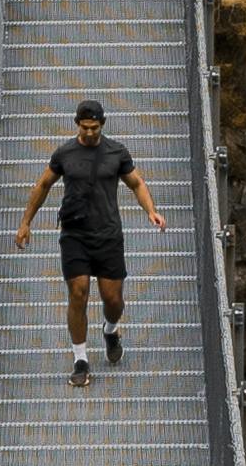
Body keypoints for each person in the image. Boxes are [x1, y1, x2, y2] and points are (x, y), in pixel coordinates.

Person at [17, 98, 165, 382]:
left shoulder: (116, 152)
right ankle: (81, 360)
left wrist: (151, 211)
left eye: (94, 128)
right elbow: (43, 184)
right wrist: (26, 223)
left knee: (113, 299)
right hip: (75, 234)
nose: (89, 133)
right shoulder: (65, 153)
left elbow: (136, 183)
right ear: (77, 124)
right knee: (78, 292)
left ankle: (110, 330)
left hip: (108, 235)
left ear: (102, 125)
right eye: (84, 127)